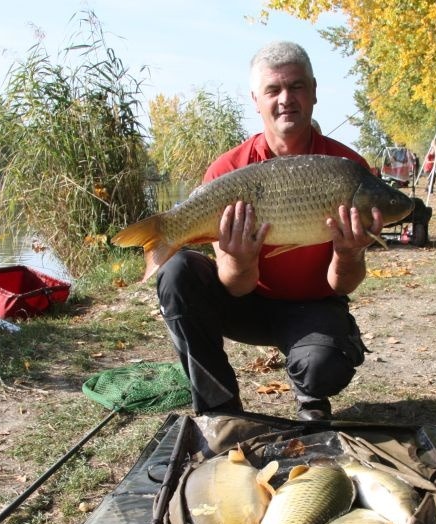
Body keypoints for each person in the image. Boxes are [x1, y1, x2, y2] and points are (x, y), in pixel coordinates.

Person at [154, 41, 384, 421]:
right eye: (273, 90)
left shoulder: (346, 168)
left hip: (314, 305)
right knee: (175, 271)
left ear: (313, 91)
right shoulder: (227, 172)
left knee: (323, 367)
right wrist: (241, 259)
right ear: (256, 100)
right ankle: (221, 410)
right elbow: (236, 286)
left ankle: (309, 388)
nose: (285, 99)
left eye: (295, 86)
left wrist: (348, 253)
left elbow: (342, 286)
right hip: (247, 302)